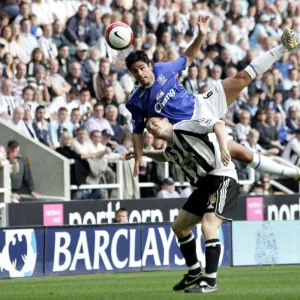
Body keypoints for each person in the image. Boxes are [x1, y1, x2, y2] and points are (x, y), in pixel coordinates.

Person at [126, 116, 300, 293]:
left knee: (208, 227)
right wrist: (143, 153)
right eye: (149, 127)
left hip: (222, 177)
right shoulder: (172, 148)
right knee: (179, 227)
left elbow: (218, 124)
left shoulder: (184, 127)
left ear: (165, 120)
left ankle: (210, 282)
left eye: (155, 122)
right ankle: (194, 272)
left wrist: (224, 147)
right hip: (204, 185)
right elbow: (164, 156)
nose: (152, 127)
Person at [124, 18, 299, 177]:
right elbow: (137, 132)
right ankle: (295, 174)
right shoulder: (136, 101)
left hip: (201, 103)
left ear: (149, 65)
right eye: (134, 71)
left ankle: (283, 46)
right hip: (193, 129)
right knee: (242, 154)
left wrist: (201, 35)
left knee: (240, 79)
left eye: (141, 68)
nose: (139, 74)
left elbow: (188, 57)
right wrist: (139, 157)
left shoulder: (163, 69)